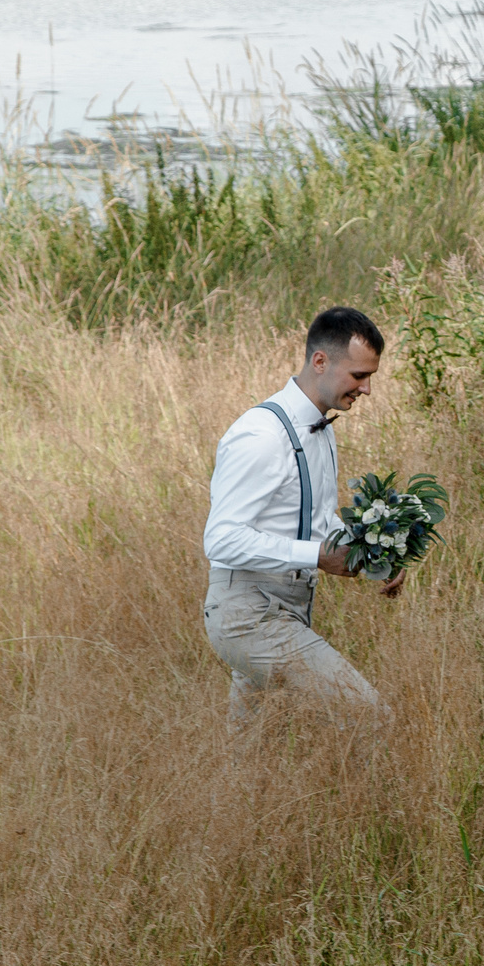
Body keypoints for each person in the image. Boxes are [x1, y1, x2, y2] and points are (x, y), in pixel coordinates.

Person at [202, 307, 402, 730]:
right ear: (320, 362)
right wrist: (317, 557)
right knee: (369, 716)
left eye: (370, 377)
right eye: (359, 375)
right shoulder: (261, 435)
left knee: (254, 761)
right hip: (247, 614)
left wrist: (374, 559)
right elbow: (220, 540)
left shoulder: (320, 429)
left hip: (284, 610)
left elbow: (316, 520)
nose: (367, 389)